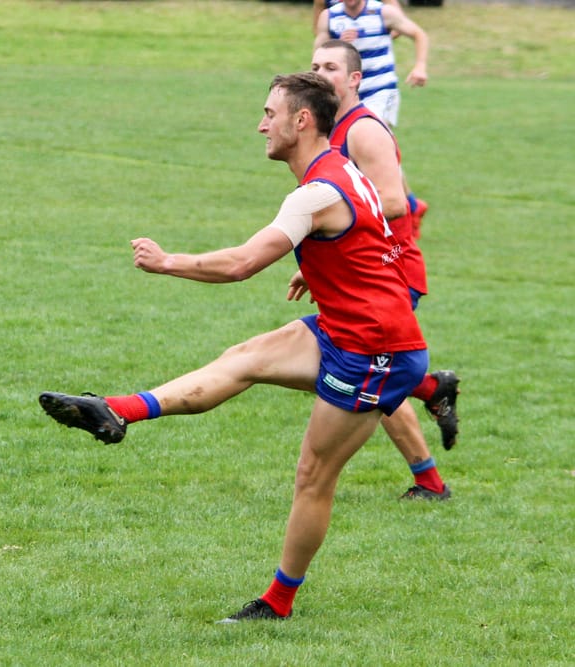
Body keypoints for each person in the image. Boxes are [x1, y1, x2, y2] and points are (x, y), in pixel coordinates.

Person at [40, 72, 434, 620]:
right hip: (349, 327)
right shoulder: (340, 170)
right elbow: (373, 236)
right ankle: (117, 411)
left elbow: (243, 263)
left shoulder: (316, 193)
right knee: (243, 358)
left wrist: (167, 261)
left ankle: (278, 604)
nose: (260, 125)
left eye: (269, 113)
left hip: (373, 350)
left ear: (302, 121)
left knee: (313, 477)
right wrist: (322, 272)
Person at [311, 39, 458, 499]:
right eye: (314, 64)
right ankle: (431, 397)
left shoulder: (363, 129)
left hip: (389, 270)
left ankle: (430, 470)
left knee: (371, 375)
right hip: (363, 268)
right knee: (371, 375)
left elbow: (393, 201)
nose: (319, 72)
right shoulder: (333, 128)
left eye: (330, 67)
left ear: (355, 78)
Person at [314, 0, 431, 236]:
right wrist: (338, 47)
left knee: (370, 139)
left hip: (381, 91)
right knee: (358, 150)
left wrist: (420, 66)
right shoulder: (330, 16)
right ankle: (408, 203)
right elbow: (319, 51)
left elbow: (418, 33)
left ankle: (389, 206)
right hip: (348, 93)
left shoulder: (382, 12)